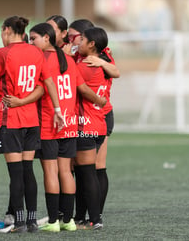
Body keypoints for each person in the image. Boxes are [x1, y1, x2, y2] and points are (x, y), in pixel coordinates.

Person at [8, 23, 106, 232]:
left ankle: (53, 221)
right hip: (69, 125)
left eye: (33, 38)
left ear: (46, 38)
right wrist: (99, 98)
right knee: (66, 172)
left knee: (50, 171)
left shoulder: (42, 60)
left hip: (49, 124)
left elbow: (40, 89)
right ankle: (68, 221)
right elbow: (81, 88)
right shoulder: (69, 61)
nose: (31, 42)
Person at [0, 16, 64, 233]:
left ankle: (18, 223)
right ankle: (31, 221)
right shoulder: (36, 52)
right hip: (32, 121)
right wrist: (57, 110)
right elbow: (46, 83)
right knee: (28, 171)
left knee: (16, 173)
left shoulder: (3, 54)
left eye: (2, 31)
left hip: (12, 121)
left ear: (7, 30)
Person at [73, 26, 112, 230]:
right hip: (98, 124)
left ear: (92, 44)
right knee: (87, 172)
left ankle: (95, 219)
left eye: (81, 40)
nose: (78, 43)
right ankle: (84, 217)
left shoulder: (85, 67)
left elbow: (74, 82)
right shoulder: (103, 65)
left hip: (85, 125)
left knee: (86, 173)